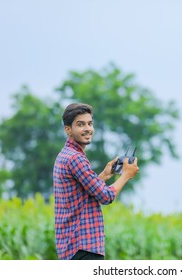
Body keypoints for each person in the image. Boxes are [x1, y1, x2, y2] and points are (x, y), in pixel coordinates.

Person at [53, 103, 139, 260]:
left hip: (72, 247)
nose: (87, 128)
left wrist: (105, 175)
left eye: (90, 123)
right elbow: (105, 196)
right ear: (68, 130)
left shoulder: (65, 155)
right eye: (80, 124)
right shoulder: (75, 158)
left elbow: (83, 195)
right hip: (83, 247)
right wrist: (126, 175)